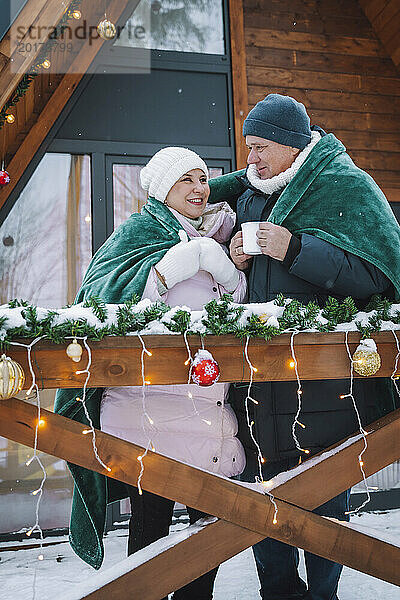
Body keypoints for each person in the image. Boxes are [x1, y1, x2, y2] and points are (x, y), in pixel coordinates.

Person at [207, 93, 400, 600]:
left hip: (321, 382)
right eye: (248, 147)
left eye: (262, 147)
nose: (251, 159)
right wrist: (239, 261)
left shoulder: (342, 188)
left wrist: (294, 248)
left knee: (323, 500)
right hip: (256, 383)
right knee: (261, 505)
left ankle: (322, 597)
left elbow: (375, 276)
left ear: (293, 146)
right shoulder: (247, 197)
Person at [54, 147, 246, 600]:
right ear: (164, 190)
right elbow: (102, 302)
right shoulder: (140, 233)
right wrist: (169, 268)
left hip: (206, 409)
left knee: (208, 537)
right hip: (148, 418)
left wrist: (228, 269)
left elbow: (234, 310)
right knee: (151, 529)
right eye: (187, 181)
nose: (200, 189)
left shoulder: (219, 236)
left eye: (204, 179)